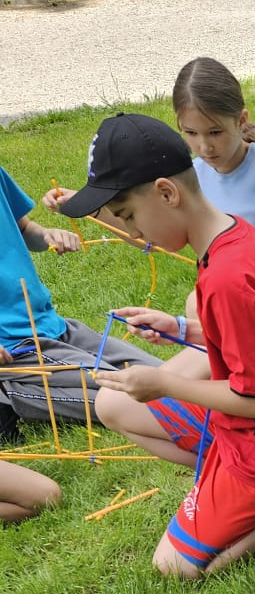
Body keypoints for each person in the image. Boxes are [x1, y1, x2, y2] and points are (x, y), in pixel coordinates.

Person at [57, 113, 255, 578]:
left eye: (129, 215)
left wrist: (163, 384)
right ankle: (238, 491)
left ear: (167, 193)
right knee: (112, 405)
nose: (133, 233)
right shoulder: (233, 234)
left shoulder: (227, 276)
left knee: (172, 567)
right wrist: (182, 329)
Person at [47, 59, 255, 468]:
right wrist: (93, 205)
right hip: (245, 308)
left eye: (215, 132)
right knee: (188, 323)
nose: (205, 147)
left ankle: (254, 461)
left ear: (241, 121)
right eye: (191, 134)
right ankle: (233, 462)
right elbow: (145, 223)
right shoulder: (196, 177)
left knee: (157, 390)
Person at [1, 162, 158, 438]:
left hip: (53, 326)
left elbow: (24, 229)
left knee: (162, 376)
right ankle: (9, 394)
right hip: (15, 348)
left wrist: (47, 235)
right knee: (127, 395)